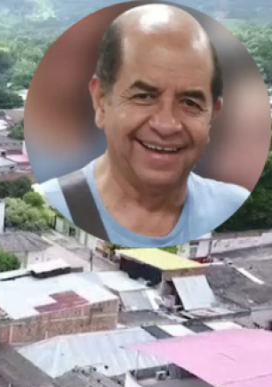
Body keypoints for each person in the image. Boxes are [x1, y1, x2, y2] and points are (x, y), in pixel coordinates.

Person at [37, 4, 249, 248]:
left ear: (212, 116)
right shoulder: (53, 202)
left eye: (190, 102)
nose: (167, 125)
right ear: (102, 102)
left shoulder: (232, 204)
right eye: (144, 97)